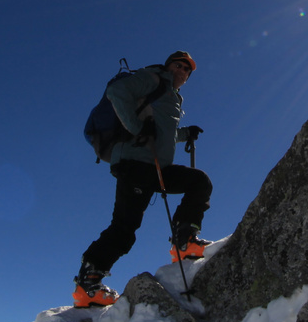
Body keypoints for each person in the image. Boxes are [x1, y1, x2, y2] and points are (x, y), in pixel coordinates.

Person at [75, 50, 211, 307]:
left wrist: (185, 134)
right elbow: (117, 93)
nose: (181, 71)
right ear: (167, 65)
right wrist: (137, 129)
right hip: (135, 163)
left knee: (198, 182)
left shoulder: (171, 95)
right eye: (178, 65)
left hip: (156, 166)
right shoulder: (153, 78)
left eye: (186, 70)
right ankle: (88, 283)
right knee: (125, 227)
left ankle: (184, 241)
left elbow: (159, 132)